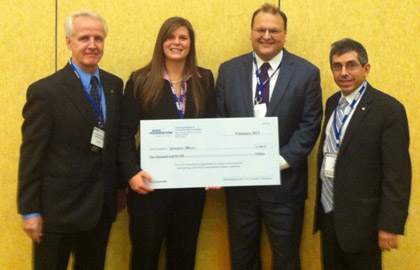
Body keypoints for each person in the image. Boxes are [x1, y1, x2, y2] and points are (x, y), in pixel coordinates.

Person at [216, 3, 323, 270]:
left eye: (274, 30)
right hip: (240, 189)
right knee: (242, 259)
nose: (266, 36)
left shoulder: (306, 73)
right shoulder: (228, 71)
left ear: (285, 34)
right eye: (260, 30)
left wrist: (275, 162)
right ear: (250, 32)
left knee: (286, 259)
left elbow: (310, 126)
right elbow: (219, 121)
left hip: (285, 188)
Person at [17, 11, 124, 270]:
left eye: (98, 38)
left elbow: (114, 143)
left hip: (100, 208)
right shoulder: (46, 91)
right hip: (58, 211)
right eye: (84, 38)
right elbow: (32, 154)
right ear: (69, 42)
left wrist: (119, 190)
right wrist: (29, 211)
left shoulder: (114, 85)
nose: (92, 45)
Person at [118, 17, 216, 270]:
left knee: (183, 257)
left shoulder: (204, 79)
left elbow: (212, 129)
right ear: (161, 42)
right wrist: (131, 174)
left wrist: (215, 168)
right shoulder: (140, 80)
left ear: (190, 43)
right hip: (148, 188)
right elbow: (124, 133)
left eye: (183, 37)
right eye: (170, 37)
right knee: (144, 256)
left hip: (190, 191)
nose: (176, 43)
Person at [313, 38, 411, 270]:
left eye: (351, 65)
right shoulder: (332, 103)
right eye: (337, 66)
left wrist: (389, 225)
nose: (343, 72)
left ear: (366, 69)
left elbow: (397, 173)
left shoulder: (388, 110)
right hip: (330, 215)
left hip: (364, 224)